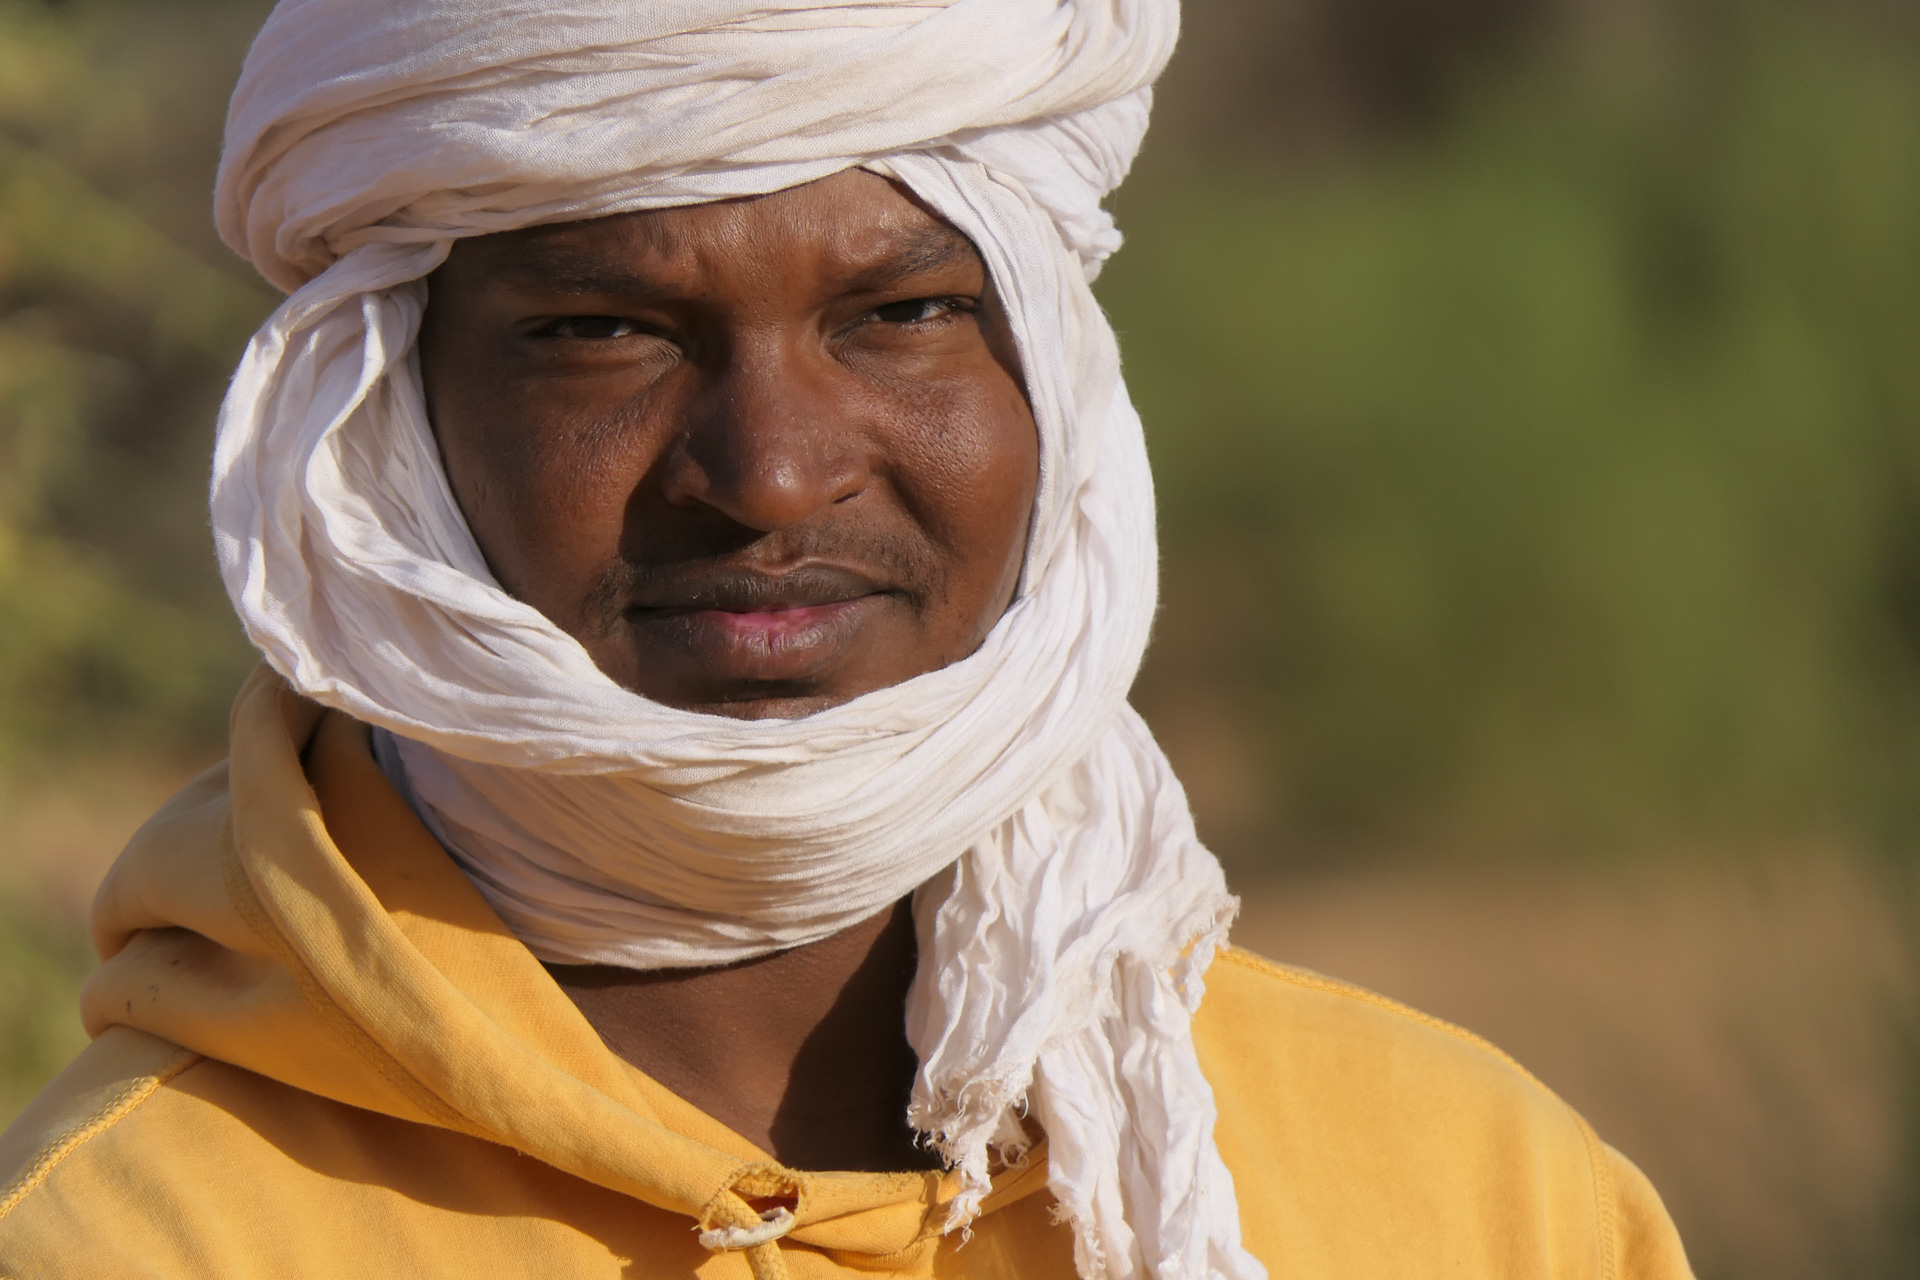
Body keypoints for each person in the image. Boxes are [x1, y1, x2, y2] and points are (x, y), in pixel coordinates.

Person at [0, 1, 1693, 1277]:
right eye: (602, 331)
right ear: (389, 423)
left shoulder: (1471, 1196)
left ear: (1055, 381)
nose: (772, 473)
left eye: (900, 316)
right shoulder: (140, 1238)